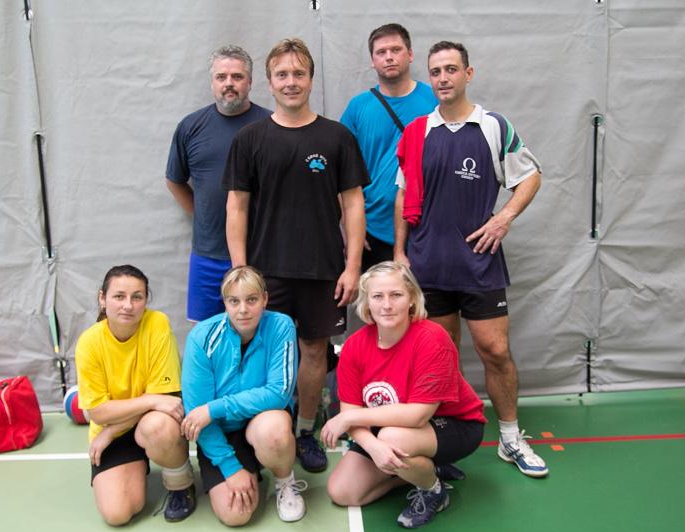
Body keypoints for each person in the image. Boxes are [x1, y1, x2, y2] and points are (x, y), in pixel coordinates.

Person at [393, 41, 547, 477]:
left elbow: (531, 176)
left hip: (479, 264)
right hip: (428, 267)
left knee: (495, 350)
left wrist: (504, 218)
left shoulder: (493, 126)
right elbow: (403, 194)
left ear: (468, 73)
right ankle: (443, 446)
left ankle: (511, 439)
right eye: (435, 71)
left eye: (451, 69)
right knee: (441, 359)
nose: (443, 78)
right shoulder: (418, 131)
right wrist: (400, 252)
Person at [223, 38, 369, 473]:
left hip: (323, 270)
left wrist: (353, 267)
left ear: (310, 80)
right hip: (265, 271)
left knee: (314, 351)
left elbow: (353, 204)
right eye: (282, 74)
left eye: (299, 74)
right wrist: (240, 270)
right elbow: (237, 206)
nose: (291, 82)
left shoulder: (337, 137)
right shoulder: (250, 139)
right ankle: (263, 431)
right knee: (261, 354)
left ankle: (305, 431)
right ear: (269, 82)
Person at [321, 262, 485, 529]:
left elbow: (418, 415)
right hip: (388, 430)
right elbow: (351, 412)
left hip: (456, 425)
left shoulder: (432, 338)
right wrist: (373, 447)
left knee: (392, 438)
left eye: (396, 295)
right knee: (343, 492)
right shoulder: (354, 346)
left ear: (411, 299)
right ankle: (425, 470)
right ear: (367, 303)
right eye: (378, 296)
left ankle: (433, 491)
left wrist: (349, 420)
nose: (387, 305)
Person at [182, 266, 306, 526]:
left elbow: (279, 393)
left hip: (260, 422)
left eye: (251, 300)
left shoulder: (280, 326)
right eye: (234, 301)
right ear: (225, 302)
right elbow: (196, 416)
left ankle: (285, 482)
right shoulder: (201, 338)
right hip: (221, 432)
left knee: (274, 430)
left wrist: (215, 408)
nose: (243, 310)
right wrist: (231, 468)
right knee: (236, 516)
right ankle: (247, 468)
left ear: (265, 299)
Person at [75, 265, 196, 526]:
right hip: (118, 427)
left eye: (137, 297)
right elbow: (98, 413)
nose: (128, 305)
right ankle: (137, 465)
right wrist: (150, 400)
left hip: (148, 423)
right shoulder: (89, 343)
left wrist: (112, 430)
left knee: (159, 426)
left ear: (146, 300)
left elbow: (168, 401)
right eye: (119, 296)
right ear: (102, 299)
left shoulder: (157, 324)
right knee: (117, 514)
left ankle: (180, 482)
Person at [166, 45, 272, 322]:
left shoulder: (271, 125)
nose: (229, 84)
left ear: (250, 81)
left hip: (262, 253)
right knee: (204, 333)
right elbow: (175, 180)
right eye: (221, 77)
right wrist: (203, 214)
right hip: (208, 255)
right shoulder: (191, 127)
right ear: (212, 82)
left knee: (261, 332)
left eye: (237, 76)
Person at [340, 23, 438, 270]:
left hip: (428, 227)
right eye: (381, 52)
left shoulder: (435, 101)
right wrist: (350, 227)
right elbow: (341, 173)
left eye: (396, 50)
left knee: (426, 297)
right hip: (372, 230)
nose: (389, 57)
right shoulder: (358, 108)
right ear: (372, 61)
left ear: (410, 54)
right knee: (377, 296)